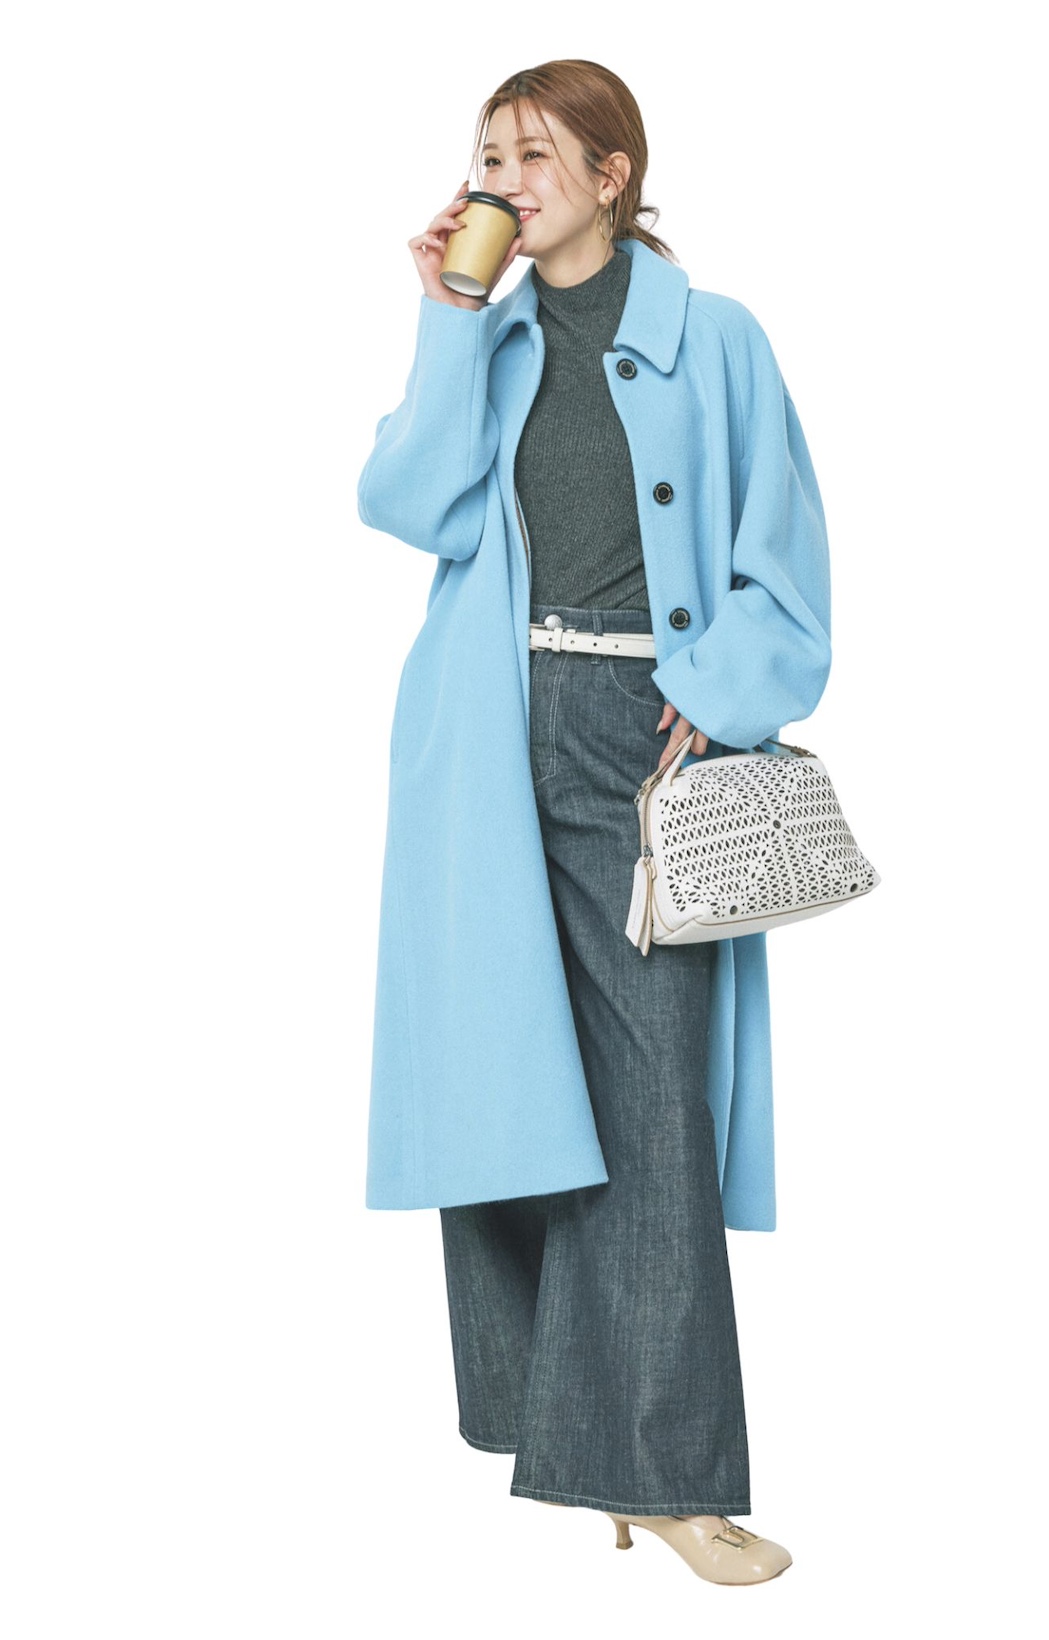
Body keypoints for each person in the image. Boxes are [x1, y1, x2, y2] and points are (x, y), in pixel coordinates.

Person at [356, 59, 831, 1587]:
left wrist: (718, 691)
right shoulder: (488, 342)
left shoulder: (715, 338)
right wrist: (446, 317)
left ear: (612, 174)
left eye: (533, 154)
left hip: (648, 744)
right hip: (490, 738)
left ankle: (668, 1473)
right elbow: (408, 506)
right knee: (504, 1088)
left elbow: (785, 558)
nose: (502, 178)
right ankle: (572, 1444)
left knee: (653, 1105)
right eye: (488, 154)